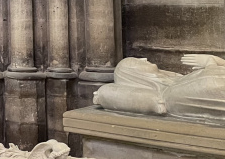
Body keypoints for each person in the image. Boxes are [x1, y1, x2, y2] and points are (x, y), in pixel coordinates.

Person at [94, 54, 225, 122]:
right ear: (135, 76)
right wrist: (211, 62)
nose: (144, 59)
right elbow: (213, 84)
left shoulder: (177, 85)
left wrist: (213, 61)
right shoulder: (172, 96)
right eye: (135, 61)